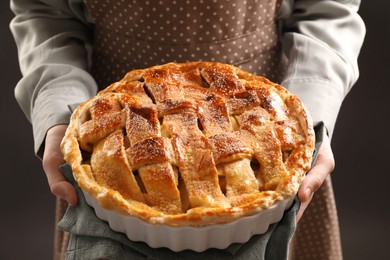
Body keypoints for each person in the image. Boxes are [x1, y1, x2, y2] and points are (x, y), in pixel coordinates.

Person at [10, 0, 365, 259]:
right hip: (117, 126)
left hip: (263, 127)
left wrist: (312, 113)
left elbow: (327, 10)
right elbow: (45, 14)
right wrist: (58, 111)